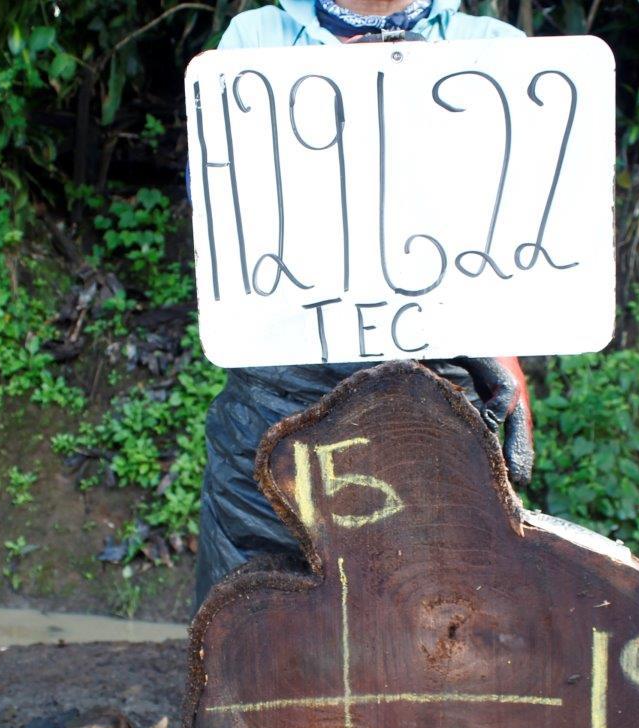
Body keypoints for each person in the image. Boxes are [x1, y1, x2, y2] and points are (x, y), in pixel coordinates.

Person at [195, 0, 533, 607]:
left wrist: (506, 362)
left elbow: (513, 231)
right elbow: (225, 203)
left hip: (439, 380)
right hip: (280, 384)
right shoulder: (256, 39)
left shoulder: (494, 51)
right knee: (262, 641)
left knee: (434, 623)